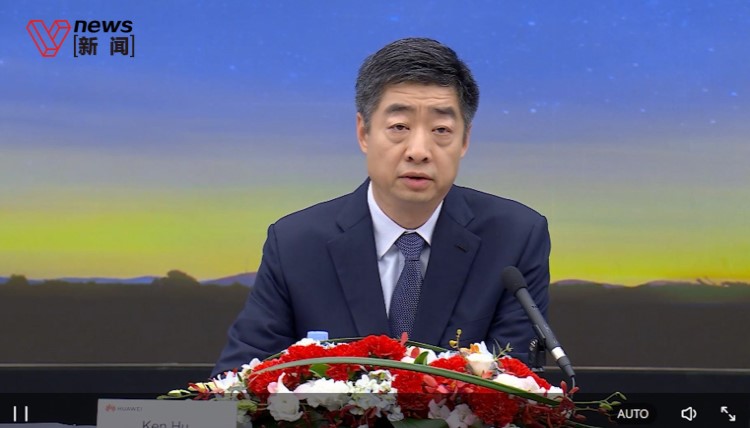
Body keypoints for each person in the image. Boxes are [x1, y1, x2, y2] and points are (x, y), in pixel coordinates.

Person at [213, 37, 550, 376]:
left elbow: (518, 382)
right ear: (364, 132)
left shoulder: (514, 238)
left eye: (441, 129)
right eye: (399, 127)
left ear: (464, 140)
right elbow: (238, 378)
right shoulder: (295, 244)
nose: (419, 151)